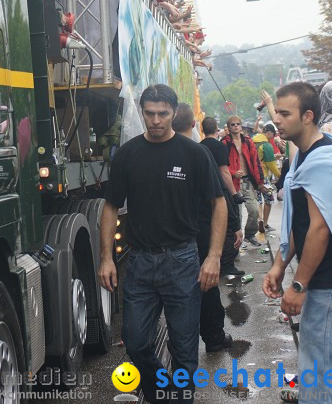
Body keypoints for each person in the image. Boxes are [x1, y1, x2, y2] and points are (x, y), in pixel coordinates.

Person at [98, 84, 226, 403]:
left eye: (163, 114)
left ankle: (181, 397)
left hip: (183, 261)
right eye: (149, 113)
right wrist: (106, 258)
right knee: (135, 340)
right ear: (142, 112)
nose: (156, 120)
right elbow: (111, 206)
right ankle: (160, 391)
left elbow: (219, 202)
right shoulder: (128, 155)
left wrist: (213, 257)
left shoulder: (193, 153)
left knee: (183, 347)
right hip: (141, 264)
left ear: (173, 112)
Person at [263, 81, 332, 403]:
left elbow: (320, 230)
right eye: (276, 112)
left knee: (324, 375)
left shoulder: (324, 158)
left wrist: (298, 286)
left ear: (308, 116)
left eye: (284, 113)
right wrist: (280, 264)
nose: (277, 120)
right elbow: (302, 221)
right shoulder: (306, 155)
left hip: (327, 284)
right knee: (322, 366)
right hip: (322, 284)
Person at [173, 104, 239, 353]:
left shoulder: (159, 154)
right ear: (193, 126)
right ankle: (213, 336)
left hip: (172, 235)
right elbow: (219, 194)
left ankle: (179, 341)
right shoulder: (199, 153)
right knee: (206, 283)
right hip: (201, 230)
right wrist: (233, 225)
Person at [201, 116, 245, 276]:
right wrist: (234, 193)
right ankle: (226, 264)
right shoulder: (219, 146)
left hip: (203, 194)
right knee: (228, 227)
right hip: (220, 190)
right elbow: (224, 171)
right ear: (216, 128)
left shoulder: (199, 147)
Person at [221, 117, 268, 247]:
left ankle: (250, 234)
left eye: (238, 124)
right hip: (233, 183)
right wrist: (232, 172)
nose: (236, 126)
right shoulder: (225, 143)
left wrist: (260, 182)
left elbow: (256, 162)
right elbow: (221, 164)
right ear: (229, 127)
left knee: (253, 210)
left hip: (247, 181)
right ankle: (237, 242)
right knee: (237, 215)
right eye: (233, 124)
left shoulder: (248, 142)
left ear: (241, 126)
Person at [252, 123, 281, 233]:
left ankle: (259, 219)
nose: (272, 138)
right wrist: (279, 175)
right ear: (269, 132)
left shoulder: (252, 141)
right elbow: (271, 165)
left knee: (258, 200)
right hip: (263, 176)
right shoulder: (267, 145)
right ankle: (265, 223)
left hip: (253, 177)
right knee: (268, 200)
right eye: (272, 135)